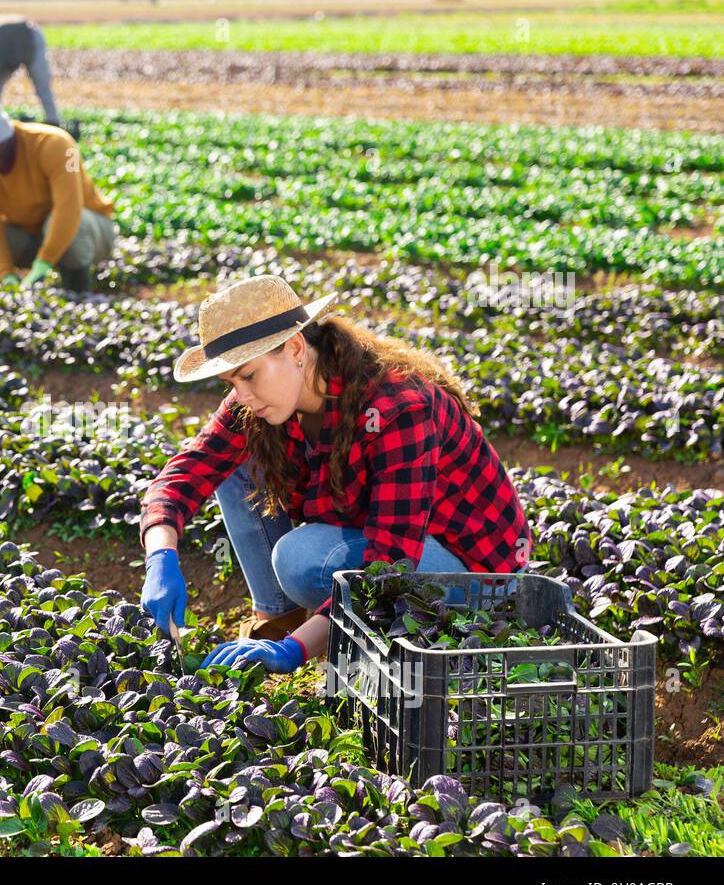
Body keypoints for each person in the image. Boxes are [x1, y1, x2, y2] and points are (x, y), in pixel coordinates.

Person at [138, 275, 533, 673]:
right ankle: (279, 618)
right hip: (396, 543)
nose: (239, 394)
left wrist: (296, 651)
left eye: (248, 375)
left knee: (300, 558)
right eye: (230, 382)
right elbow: (185, 475)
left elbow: (390, 565)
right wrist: (161, 556)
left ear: (295, 348)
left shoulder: (398, 408)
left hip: (474, 575)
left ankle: (314, 634)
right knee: (238, 462)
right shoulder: (263, 400)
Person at [0, 95, 115, 293]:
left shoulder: (60, 145)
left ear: (8, 133)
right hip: (28, 234)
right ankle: (2, 289)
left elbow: (69, 208)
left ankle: (78, 291)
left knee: (72, 224)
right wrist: (5, 273)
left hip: (91, 233)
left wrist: (45, 261)